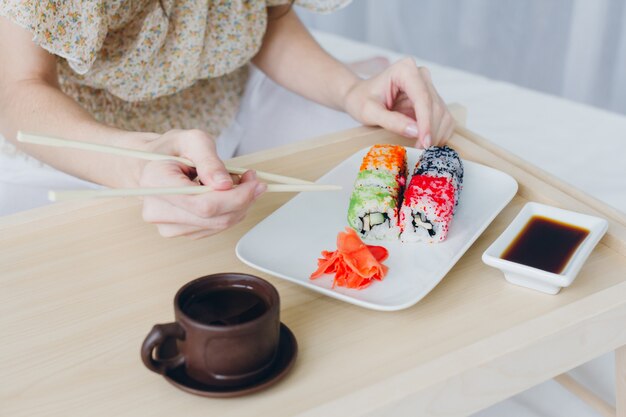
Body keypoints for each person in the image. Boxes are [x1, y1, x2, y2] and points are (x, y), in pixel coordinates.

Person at [0, 0, 454, 238]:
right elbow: (17, 91)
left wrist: (350, 90)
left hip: (229, 96)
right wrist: (138, 163)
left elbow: (262, 19)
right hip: (81, 142)